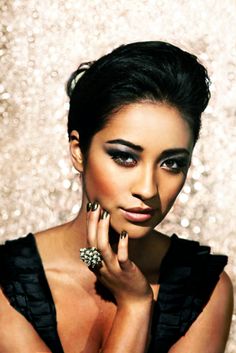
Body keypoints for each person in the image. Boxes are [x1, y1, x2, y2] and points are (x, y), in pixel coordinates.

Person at [0, 41, 233, 353]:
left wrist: (135, 303)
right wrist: (134, 307)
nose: (148, 189)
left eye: (172, 163)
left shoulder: (204, 290)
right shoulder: (8, 285)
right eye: (125, 158)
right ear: (78, 152)